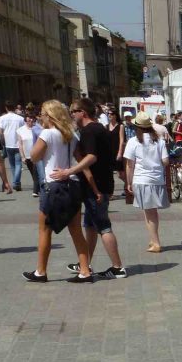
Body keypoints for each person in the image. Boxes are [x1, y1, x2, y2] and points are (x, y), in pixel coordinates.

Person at [52, 98, 126, 279]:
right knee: (91, 226)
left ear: (82, 113)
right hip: (101, 183)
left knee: (103, 226)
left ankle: (117, 268)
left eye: (73, 112)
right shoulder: (98, 128)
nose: (71, 115)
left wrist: (68, 172)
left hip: (97, 186)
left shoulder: (89, 131)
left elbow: (91, 157)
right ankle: (85, 264)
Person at [23, 100, 96, 283]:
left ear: (50, 115)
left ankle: (41, 271)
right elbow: (79, 159)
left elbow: (34, 156)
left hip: (53, 185)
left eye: (43, 114)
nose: (41, 117)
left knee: (44, 230)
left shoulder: (47, 133)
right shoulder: (71, 134)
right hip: (72, 183)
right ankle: (85, 270)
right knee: (76, 230)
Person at [123, 112, 170, 253]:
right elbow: (165, 161)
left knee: (149, 212)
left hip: (142, 179)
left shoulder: (133, 141)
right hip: (157, 179)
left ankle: (156, 242)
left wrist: (128, 182)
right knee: (150, 211)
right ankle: (153, 238)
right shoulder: (159, 141)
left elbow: (130, 165)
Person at [0, 100, 25, 191]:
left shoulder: (2, 118)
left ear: (6, 108)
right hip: (18, 143)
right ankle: (16, 182)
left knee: (12, 164)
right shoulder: (20, 118)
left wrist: (2, 143)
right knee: (18, 163)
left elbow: (0, 132)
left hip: (7, 143)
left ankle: (16, 182)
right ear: (14, 108)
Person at [17, 113, 40, 197]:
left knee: (36, 172)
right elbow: (20, 144)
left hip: (37, 155)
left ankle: (35, 191)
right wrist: (22, 156)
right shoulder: (20, 130)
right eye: (28, 119)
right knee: (33, 173)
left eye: (32, 118)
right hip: (27, 155)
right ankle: (39, 188)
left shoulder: (38, 128)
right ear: (25, 120)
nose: (30, 120)